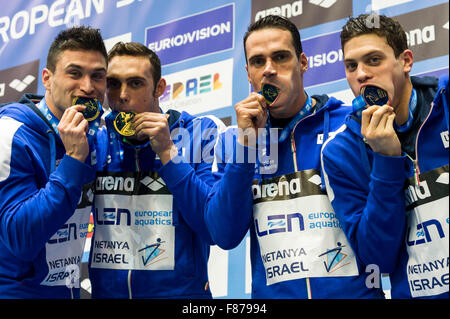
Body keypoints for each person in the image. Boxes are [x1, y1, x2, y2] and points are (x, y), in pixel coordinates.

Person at [204, 15, 382, 298]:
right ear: (248, 74)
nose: (269, 70)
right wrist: (247, 146)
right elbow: (224, 235)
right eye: (258, 62)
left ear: (302, 63)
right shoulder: (232, 142)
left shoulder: (349, 125)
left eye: (280, 57)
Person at [321, 14, 449, 299]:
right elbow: (378, 261)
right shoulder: (339, 152)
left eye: (373, 60)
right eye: (351, 65)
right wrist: (387, 161)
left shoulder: (446, 102)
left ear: (405, 61)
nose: (361, 74)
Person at [88, 42, 225, 298]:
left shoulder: (199, 132)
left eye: (136, 83)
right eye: (113, 83)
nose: (122, 95)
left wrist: (167, 153)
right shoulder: (95, 137)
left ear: (159, 88)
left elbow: (213, 229)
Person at [0, 26, 108, 298]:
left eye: (97, 76)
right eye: (75, 73)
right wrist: (72, 160)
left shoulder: (96, 133)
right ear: (47, 79)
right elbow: (21, 238)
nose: (87, 87)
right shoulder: (11, 133)